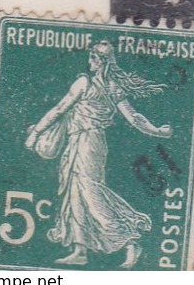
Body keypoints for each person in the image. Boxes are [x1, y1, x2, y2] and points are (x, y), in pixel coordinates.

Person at [23, 41, 171, 268]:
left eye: (93, 58)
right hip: (79, 142)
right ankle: (79, 250)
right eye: (90, 57)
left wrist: (35, 134)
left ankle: (130, 241)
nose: (89, 62)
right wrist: (157, 130)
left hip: (89, 144)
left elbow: (60, 110)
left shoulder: (91, 84)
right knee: (75, 195)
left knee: (91, 195)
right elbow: (134, 118)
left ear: (103, 62)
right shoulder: (109, 86)